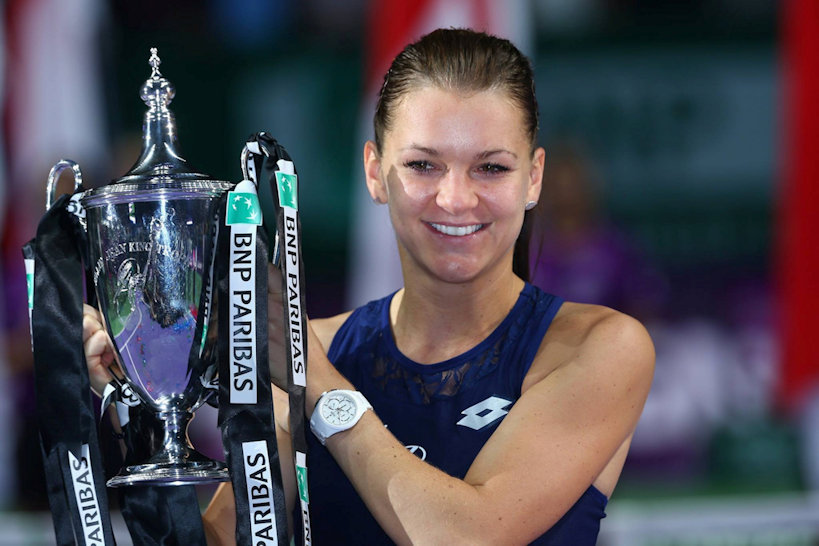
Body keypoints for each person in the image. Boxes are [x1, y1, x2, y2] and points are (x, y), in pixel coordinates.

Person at [84, 28, 654, 545]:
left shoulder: (598, 348)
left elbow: (466, 539)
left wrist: (317, 381)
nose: (455, 198)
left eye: (492, 168)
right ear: (375, 172)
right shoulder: (313, 351)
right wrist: (138, 409)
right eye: (423, 166)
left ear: (533, 179)